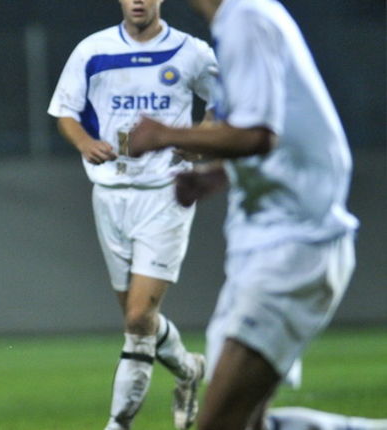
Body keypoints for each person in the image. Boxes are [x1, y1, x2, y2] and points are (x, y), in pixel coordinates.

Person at [128, 0, 374, 428]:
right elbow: (282, 131)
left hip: (292, 249)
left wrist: (162, 134)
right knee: (245, 423)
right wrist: (214, 176)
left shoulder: (246, 17)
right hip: (276, 247)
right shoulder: (245, 17)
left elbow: (259, 135)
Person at [47, 0, 217, 428]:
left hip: (165, 194)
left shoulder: (191, 52)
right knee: (138, 318)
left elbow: (224, 103)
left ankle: (118, 423)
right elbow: (65, 111)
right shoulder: (93, 49)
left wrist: (202, 138)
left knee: (139, 320)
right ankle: (189, 369)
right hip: (109, 196)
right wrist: (85, 143)